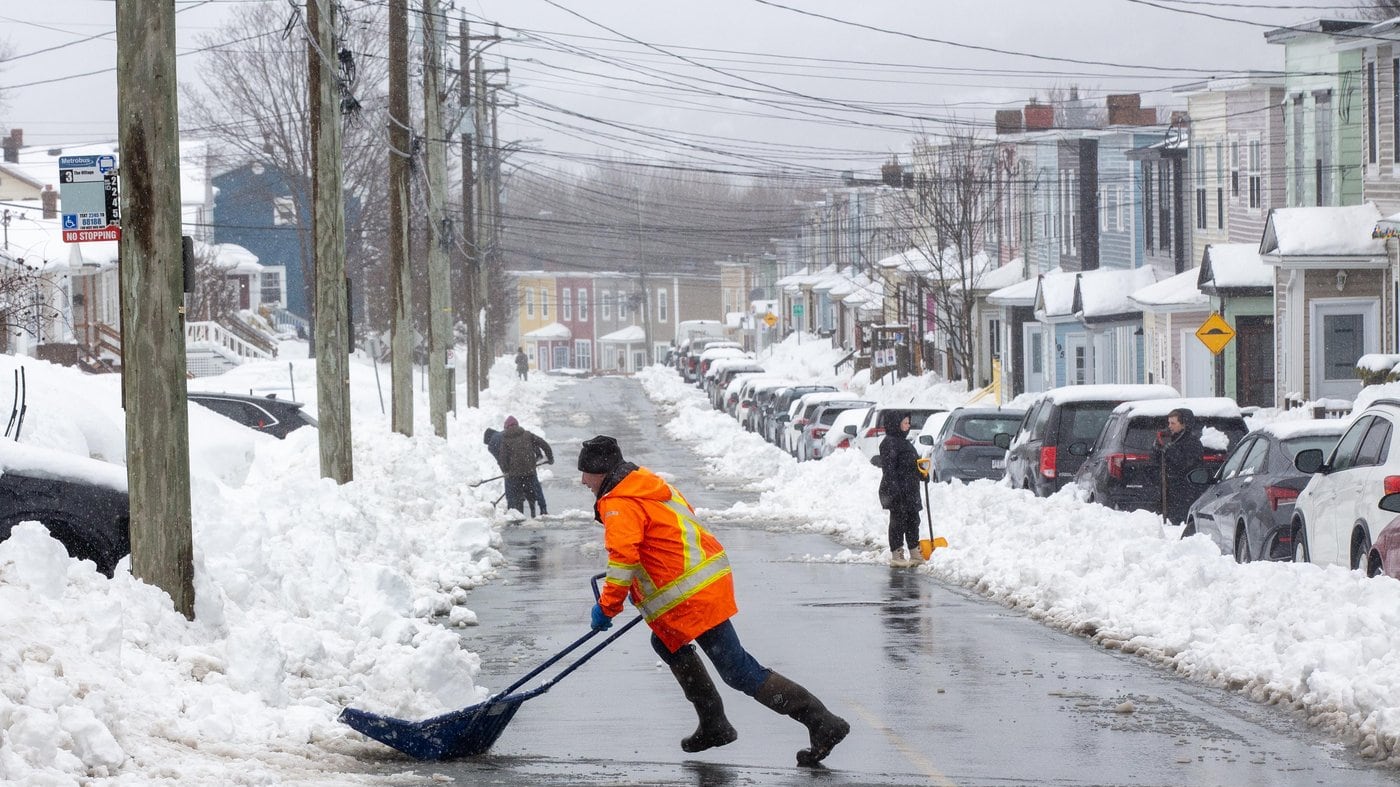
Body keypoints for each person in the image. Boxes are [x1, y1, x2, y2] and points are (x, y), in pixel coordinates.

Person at [579, 435, 849, 767]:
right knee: (667, 642)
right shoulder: (646, 486)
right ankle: (714, 722)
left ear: (601, 471)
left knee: (738, 670)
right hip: (700, 585)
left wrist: (606, 608)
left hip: (692, 595)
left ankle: (820, 721)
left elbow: (623, 560)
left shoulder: (619, 502)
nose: (583, 481)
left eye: (585, 474)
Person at [878, 410, 924, 566]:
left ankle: (915, 552)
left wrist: (922, 474)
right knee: (898, 522)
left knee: (913, 521)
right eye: (905, 422)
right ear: (896, 424)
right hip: (897, 490)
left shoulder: (906, 443)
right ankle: (897, 554)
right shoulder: (889, 443)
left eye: (908, 422)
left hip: (910, 490)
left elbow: (913, 464)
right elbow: (889, 469)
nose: (908, 425)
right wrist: (894, 489)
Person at [1155, 407, 1204, 526]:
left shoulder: (1192, 442)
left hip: (1186, 493)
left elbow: (1186, 463)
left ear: (1183, 424)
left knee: (1180, 524)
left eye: (1173, 423)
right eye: (1169, 423)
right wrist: (1157, 449)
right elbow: (1158, 462)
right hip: (1170, 493)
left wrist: (1171, 451)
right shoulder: (1172, 439)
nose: (1169, 426)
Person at [498, 416, 554, 516]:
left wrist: (505, 471)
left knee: (511, 494)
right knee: (537, 489)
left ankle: (513, 512)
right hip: (529, 472)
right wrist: (550, 458)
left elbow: (502, 459)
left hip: (514, 475)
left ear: (506, 428)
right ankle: (543, 509)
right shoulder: (527, 435)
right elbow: (544, 444)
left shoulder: (505, 440)